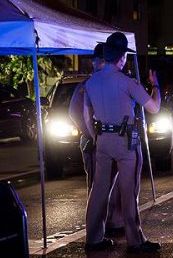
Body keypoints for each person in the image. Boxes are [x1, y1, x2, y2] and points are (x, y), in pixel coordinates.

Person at [83, 32, 162, 253]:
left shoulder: (91, 82)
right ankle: (135, 240)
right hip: (126, 141)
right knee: (129, 192)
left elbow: (88, 116)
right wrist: (155, 86)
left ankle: (94, 237)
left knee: (99, 190)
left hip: (103, 141)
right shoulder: (126, 82)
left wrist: (97, 138)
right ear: (122, 58)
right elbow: (153, 108)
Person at [68, 43, 123, 237]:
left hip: (110, 142)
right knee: (97, 188)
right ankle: (97, 230)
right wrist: (93, 135)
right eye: (103, 61)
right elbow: (75, 113)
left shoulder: (106, 83)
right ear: (97, 62)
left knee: (112, 186)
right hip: (94, 144)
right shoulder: (87, 86)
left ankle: (113, 222)